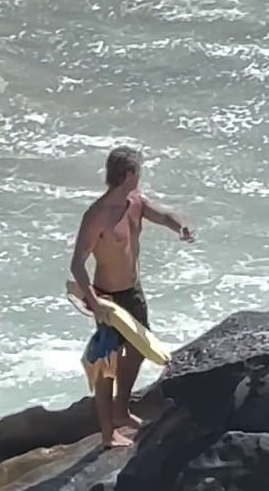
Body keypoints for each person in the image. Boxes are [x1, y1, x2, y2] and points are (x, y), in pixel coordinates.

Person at [70, 146, 195, 448]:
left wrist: (180, 226)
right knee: (107, 361)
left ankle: (121, 410)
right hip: (107, 298)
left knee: (139, 348)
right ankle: (107, 435)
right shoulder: (97, 215)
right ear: (128, 175)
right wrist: (94, 301)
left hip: (133, 292)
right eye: (139, 171)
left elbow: (162, 214)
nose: (141, 176)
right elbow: (77, 263)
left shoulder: (135, 202)